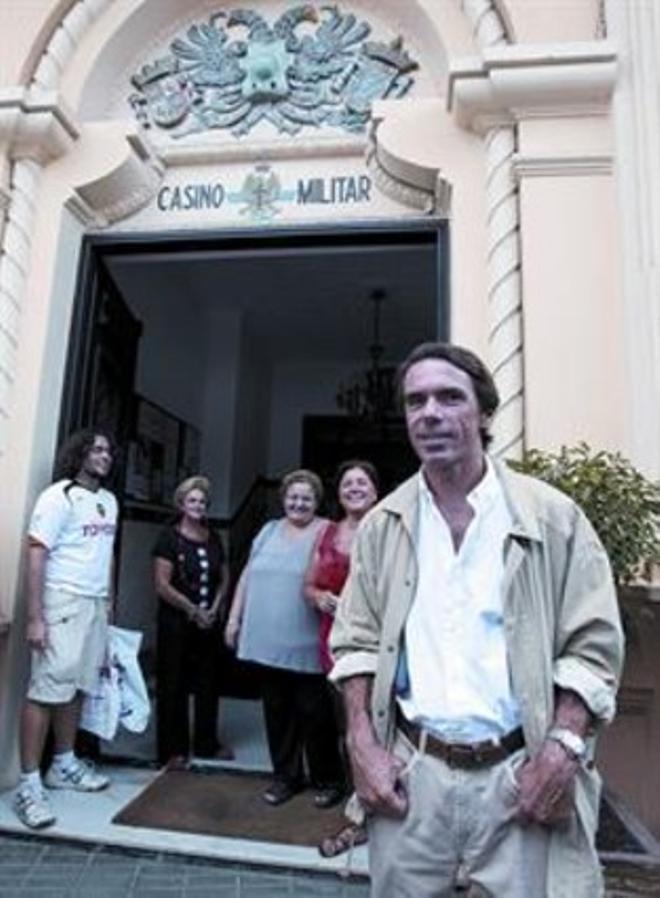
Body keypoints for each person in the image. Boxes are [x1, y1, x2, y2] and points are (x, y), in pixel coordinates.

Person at [330, 342, 625, 897]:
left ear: (484, 412)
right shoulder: (383, 524)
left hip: (521, 776)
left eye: (449, 397)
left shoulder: (551, 517)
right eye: (416, 401)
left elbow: (593, 647)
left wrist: (561, 751)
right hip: (412, 780)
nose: (430, 413)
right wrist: (362, 746)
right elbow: (356, 641)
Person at [14, 429, 118, 830]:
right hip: (62, 601)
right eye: (97, 449)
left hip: (93, 604)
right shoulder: (58, 496)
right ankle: (28, 784)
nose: (105, 456)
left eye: (108, 450)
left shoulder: (108, 501)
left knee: (77, 685)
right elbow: (37, 552)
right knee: (45, 688)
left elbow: (106, 554)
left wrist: (108, 604)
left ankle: (63, 764)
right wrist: (36, 617)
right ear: (79, 454)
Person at [224, 469, 344, 807]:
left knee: (315, 714)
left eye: (306, 497)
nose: (298, 503)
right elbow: (248, 574)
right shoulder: (268, 530)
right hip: (265, 638)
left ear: (317, 501)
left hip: (306, 640)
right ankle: (285, 778)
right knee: (277, 713)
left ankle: (328, 779)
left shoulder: (326, 530)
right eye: (293, 496)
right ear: (283, 498)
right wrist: (234, 618)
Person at [303, 460, 379, 856]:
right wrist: (320, 598)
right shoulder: (329, 532)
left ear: (375, 490)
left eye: (362, 483)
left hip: (377, 645)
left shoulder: (387, 526)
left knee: (377, 728)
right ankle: (357, 808)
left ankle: (374, 810)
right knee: (346, 728)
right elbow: (309, 585)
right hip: (332, 642)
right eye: (347, 483)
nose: (354, 489)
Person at [152, 475, 232, 767]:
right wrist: (192, 610)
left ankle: (206, 743)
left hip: (208, 623)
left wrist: (214, 607)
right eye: (192, 501)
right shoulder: (168, 537)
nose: (198, 505)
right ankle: (173, 749)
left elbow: (224, 577)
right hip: (176, 623)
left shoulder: (213, 537)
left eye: (202, 501)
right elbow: (161, 584)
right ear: (182, 504)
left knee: (208, 682)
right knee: (173, 682)